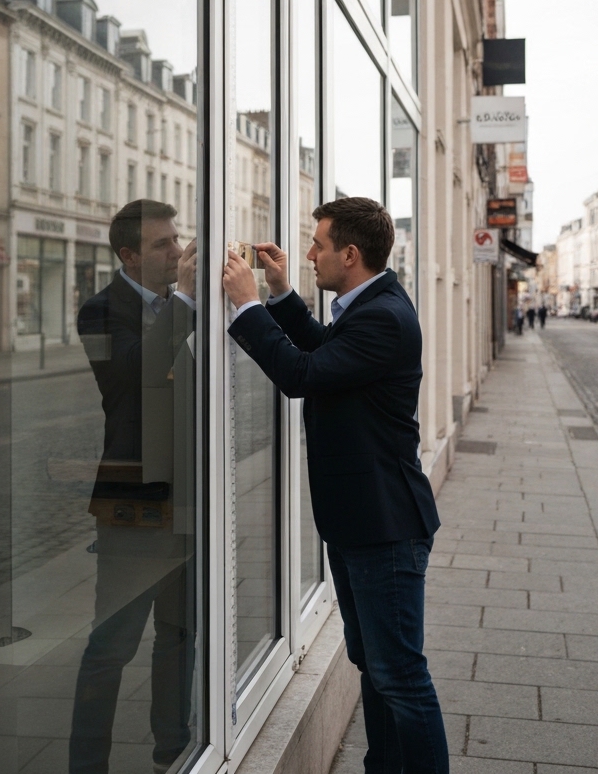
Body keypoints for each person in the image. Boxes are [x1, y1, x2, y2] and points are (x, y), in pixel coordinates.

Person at [222, 197, 448, 774]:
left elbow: (302, 375)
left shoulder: (384, 316)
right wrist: (279, 294)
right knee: (376, 664)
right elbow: (326, 350)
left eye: (317, 245)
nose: (308, 254)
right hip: (360, 520)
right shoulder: (369, 306)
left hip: (384, 524)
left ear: (350, 254)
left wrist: (248, 305)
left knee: (399, 677)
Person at [70, 199, 198, 774]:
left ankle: (172, 753)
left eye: (176, 239)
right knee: (111, 648)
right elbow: (132, 377)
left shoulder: (181, 306)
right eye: (161, 244)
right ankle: (86, 766)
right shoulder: (100, 311)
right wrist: (190, 305)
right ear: (128, 256)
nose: (175, 250)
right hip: (134, 507)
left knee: (178, 638)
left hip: (187, 501)